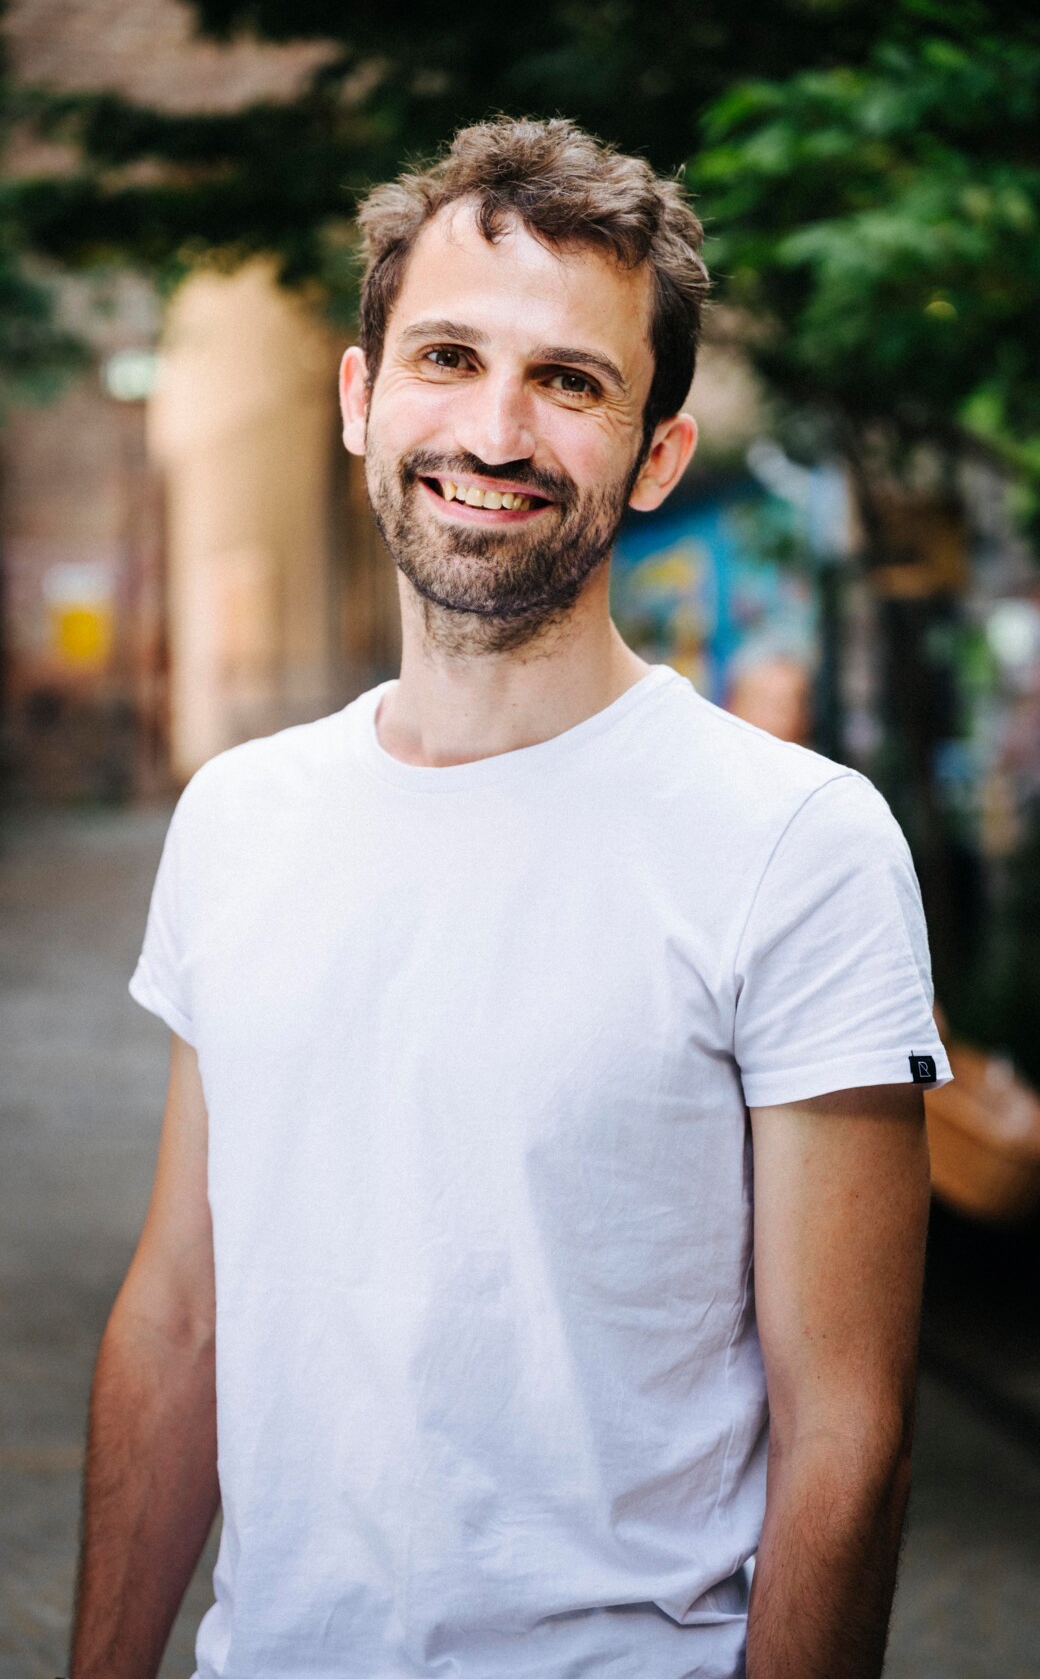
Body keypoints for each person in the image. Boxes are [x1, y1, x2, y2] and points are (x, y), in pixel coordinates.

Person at [70, 117, 950, 1679]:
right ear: (361, 396)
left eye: (570, 381)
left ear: (655, 454)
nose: (493, 431)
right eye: (447, 358)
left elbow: (847, 1431)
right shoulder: (239, 818)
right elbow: (180, 1315)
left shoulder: (795, 844)